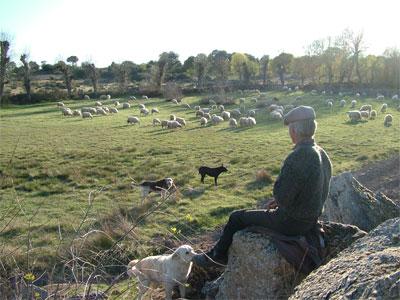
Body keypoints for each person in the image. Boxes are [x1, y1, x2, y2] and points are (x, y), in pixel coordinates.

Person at [192, 105, 332, 268]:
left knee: (236, 217)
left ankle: (216, 257)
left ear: (294, 131)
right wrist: (280, 201)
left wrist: (278, 197)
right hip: (310, 220)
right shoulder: (321, 152)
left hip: (291, 223)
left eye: (289, 129)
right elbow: (313, 191)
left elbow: (283, 196)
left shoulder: (299, 155)